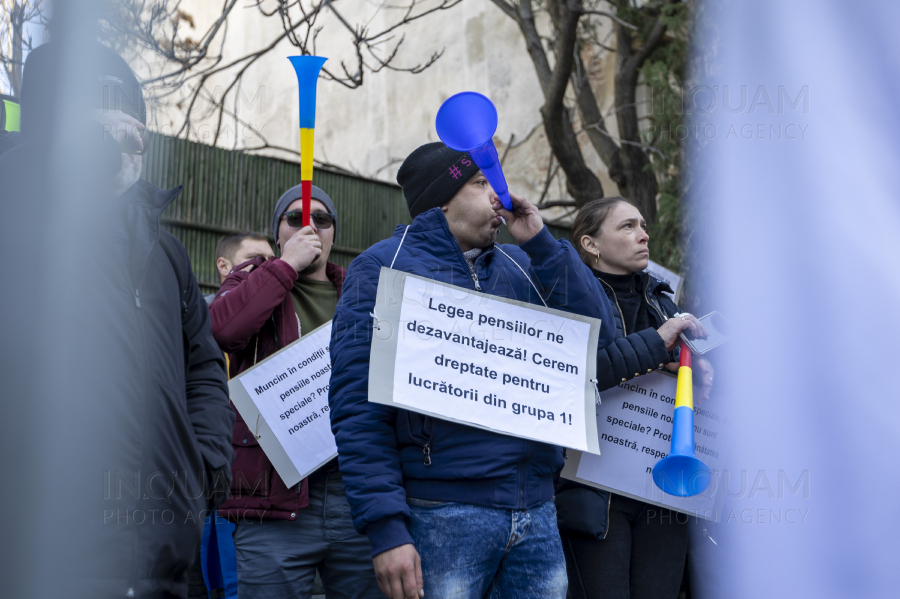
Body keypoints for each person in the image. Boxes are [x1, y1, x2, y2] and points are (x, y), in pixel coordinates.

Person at [328, 142, 617, 599]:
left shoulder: (521, 263)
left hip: (536, 512)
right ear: (443, 199)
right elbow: (357, 408)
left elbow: (600, 336)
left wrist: (541, 242)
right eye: (481, 183)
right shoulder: (383, 267)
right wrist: (387, 529)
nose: (497, 196)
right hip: (441, 513)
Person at [1, 42, 235, 598]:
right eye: (108, 108)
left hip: (161, 560)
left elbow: (203, 369)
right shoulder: (18, 214)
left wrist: (202, 467)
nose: (131, 130)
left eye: (136, 114)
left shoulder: (165, 252)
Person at [209, 184, 381, 599]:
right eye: (296, 218)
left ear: (334, 233)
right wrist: (284, 267)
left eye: (322, 219)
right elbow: (221, 329)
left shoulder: (362, 290)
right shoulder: (251, 279)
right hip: (273, 500)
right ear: (278, 234)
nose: (310, 225)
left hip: (355, 493)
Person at [555, 196, 713, 599]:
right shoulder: (568, 297)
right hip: (595, 493)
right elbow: (575, 376)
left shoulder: (664, 303)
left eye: (643, 225)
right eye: (627, 226)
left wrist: (701, 372)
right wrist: (656, 346)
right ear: (591, 244)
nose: (643, 235)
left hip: (663, 492)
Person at [204, 232, 274, 305]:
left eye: (272, 260)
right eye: (255, 258)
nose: (268, 264)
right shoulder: (200, 313)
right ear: (223, 266)